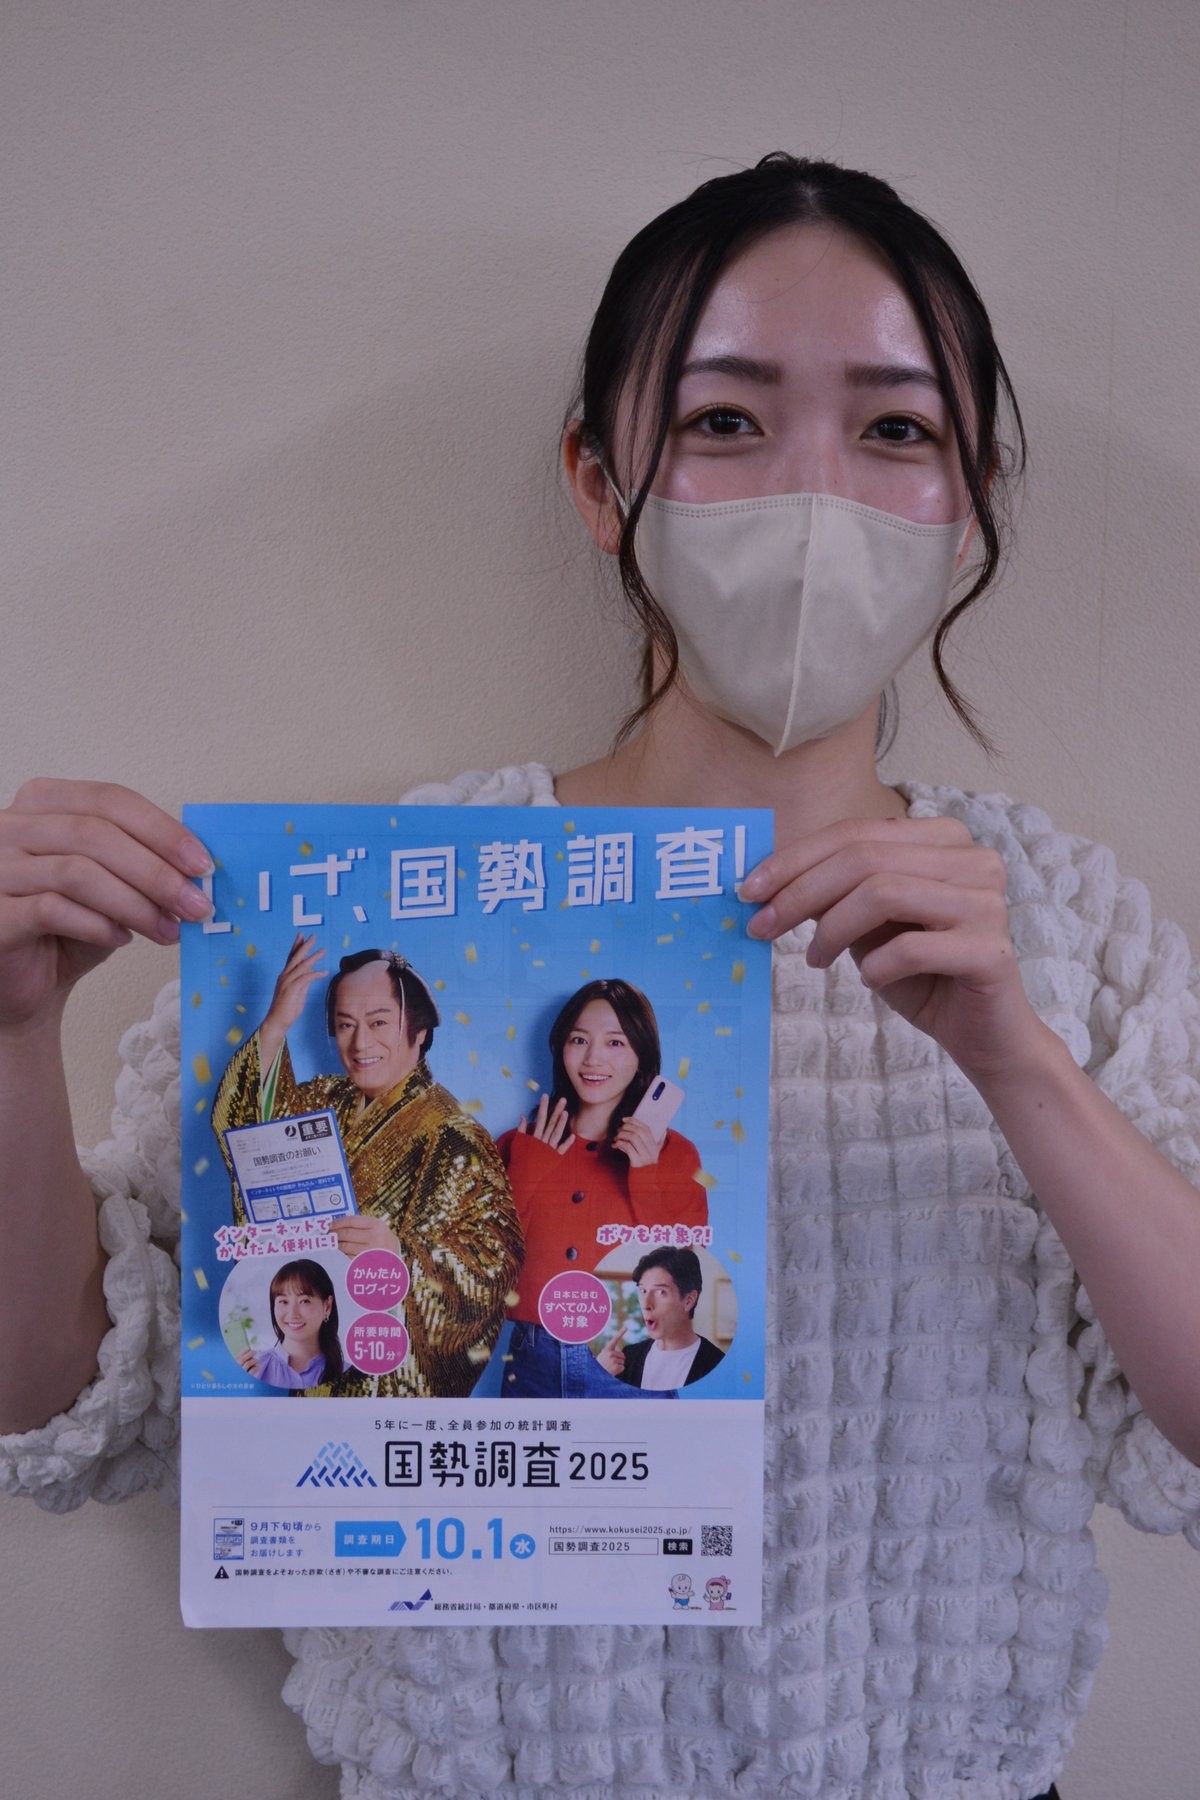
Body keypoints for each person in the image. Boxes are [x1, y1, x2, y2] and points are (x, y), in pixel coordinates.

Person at [5, 152, 1200, 1799]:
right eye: (726, 420)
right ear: (597, 474)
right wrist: (11, 1028)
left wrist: (1015, 1056)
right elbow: (68, 1402)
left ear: (973, 492)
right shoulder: (381, 904)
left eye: (896, 431)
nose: (814, 495)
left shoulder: (1060, 926)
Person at [213, 940, 522, 1399]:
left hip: (389, 1385)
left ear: (419, 1030)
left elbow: (495, 1263)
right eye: (345, 1025)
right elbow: (248, 1137)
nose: (360, 1043)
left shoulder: (452, 1133)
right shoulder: (326, 1100)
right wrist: (277, 1023)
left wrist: (400, 1255)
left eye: (378, 1023)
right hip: (316, 1360)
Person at [497, 977, 708, 1398]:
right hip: (533, 1360)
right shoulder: (517, 1146)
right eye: (579, 1040)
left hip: (632, 1359)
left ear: (641, 1054)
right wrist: (527, 1171)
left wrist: (645, 1173)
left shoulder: (676, 1154)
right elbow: (486, 1262)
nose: (593, 1059)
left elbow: (685, 1265)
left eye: (615, 1043)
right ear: (560, 1048)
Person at [595, 1247, 725, 1391]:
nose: (646, 1304)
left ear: (689, 1300)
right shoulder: (627, 1358)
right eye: (643, 1290)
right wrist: (599, 1374)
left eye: (661, 1292)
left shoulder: (718, 1364)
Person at [236, 1257, 345, 1391]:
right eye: (283, 1301)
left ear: (327, 1306)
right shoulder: (253, 1369)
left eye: (304, 1301)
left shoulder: (350, 1374)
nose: (293, 1313)